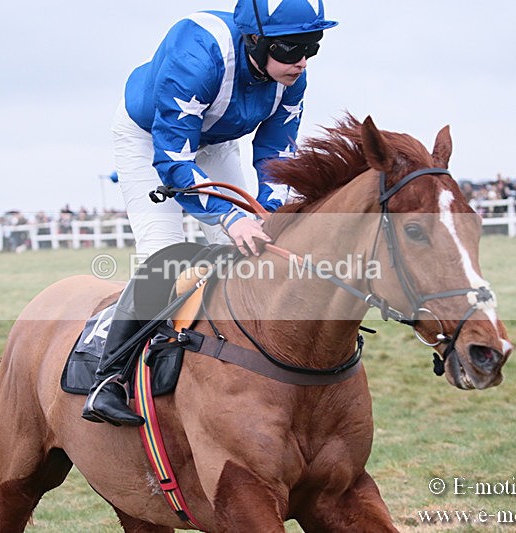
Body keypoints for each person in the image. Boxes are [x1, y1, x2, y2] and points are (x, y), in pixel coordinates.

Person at [82, 0, 338, 426]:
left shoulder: (293, 77)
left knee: (248, 250)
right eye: (291, 49)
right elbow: (174, 160)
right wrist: (231, 215)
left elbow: (277, 155)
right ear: (254, 41)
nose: (303, 61)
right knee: (165, 256)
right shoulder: (197, 53)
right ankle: (109, 378)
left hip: (216, 142)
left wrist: (266, 215)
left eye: (313, 45)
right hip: (152, 141)